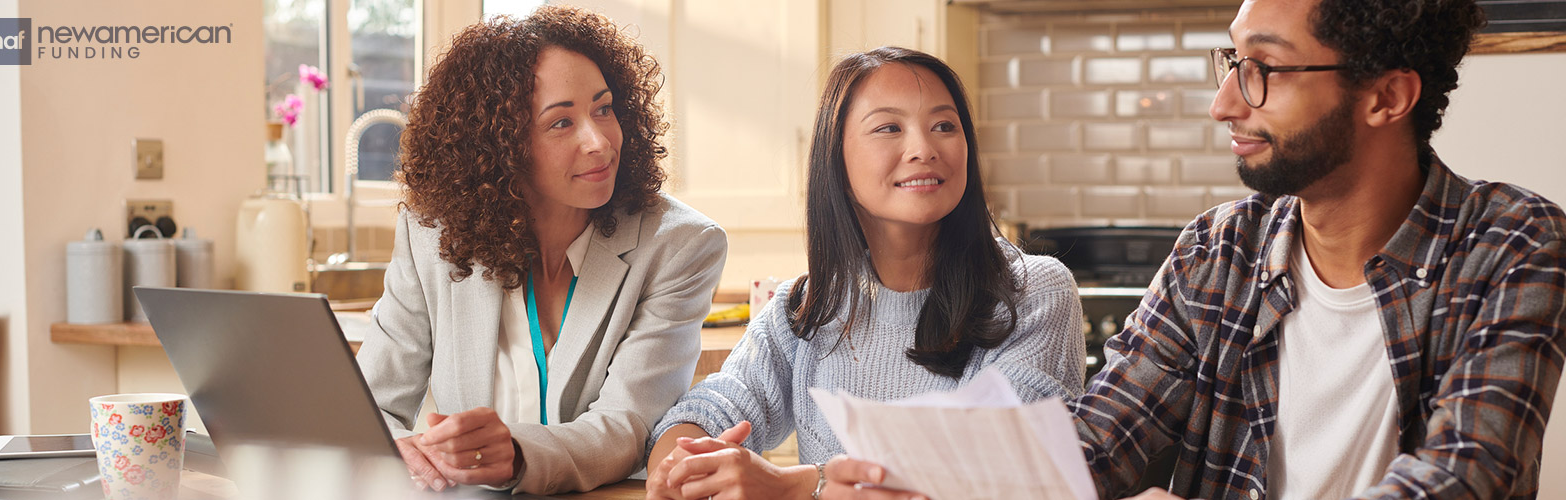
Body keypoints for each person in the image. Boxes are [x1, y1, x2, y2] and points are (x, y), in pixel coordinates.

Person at [821, 0, 1566, 498]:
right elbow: (1097, 440)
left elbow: (1462, 481)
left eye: (1262, 70)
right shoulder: (1219, 248)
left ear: (1386, 98)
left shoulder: (1510, 244)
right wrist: (925, 476)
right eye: (1231, 62)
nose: (1224, 103)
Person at [642, 46, 1087, 500]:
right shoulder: (809, 307)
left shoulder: (1034, 291)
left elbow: (1000, 466)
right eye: (889, 128)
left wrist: (801, 484)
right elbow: (721, 401)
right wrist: (683, 462)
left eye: (944, 126)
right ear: (837, 159)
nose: (924, 148)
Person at [354, 6, 727, 495]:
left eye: (603, 109)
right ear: (499, 145)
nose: (599, 141)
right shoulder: (431, 234)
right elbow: (369, 405)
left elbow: (629, 425)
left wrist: (516, 456)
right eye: (560, 123)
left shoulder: (680, 245)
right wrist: (393, 449)